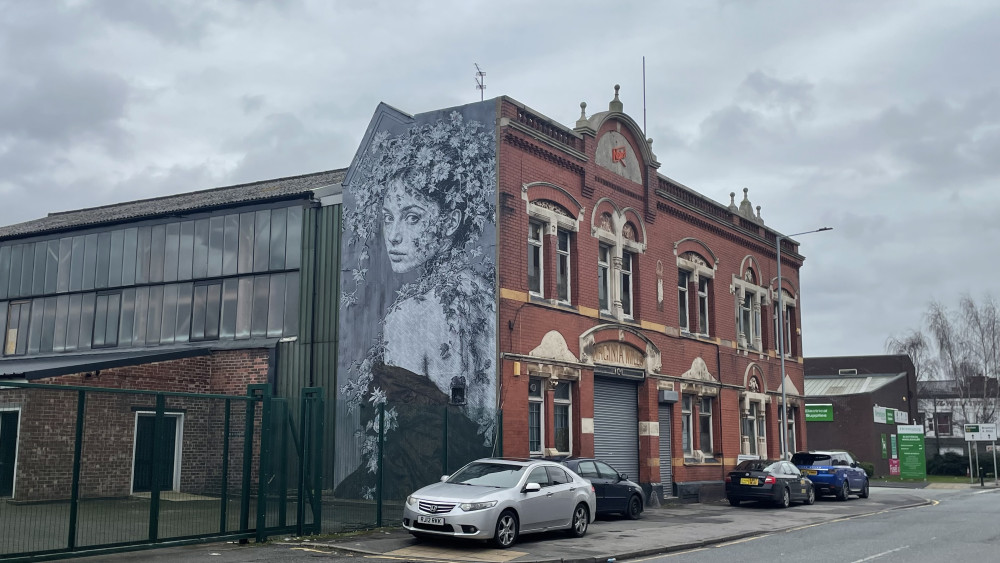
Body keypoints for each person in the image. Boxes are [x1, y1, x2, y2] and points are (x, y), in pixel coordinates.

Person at [337, 110, 497, 499]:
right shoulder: (484, 296)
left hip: (420, 485)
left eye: (412, 217)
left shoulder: (410, 313)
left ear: (451, 221)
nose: (393, 235)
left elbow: (404, 436)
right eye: (388, 217)